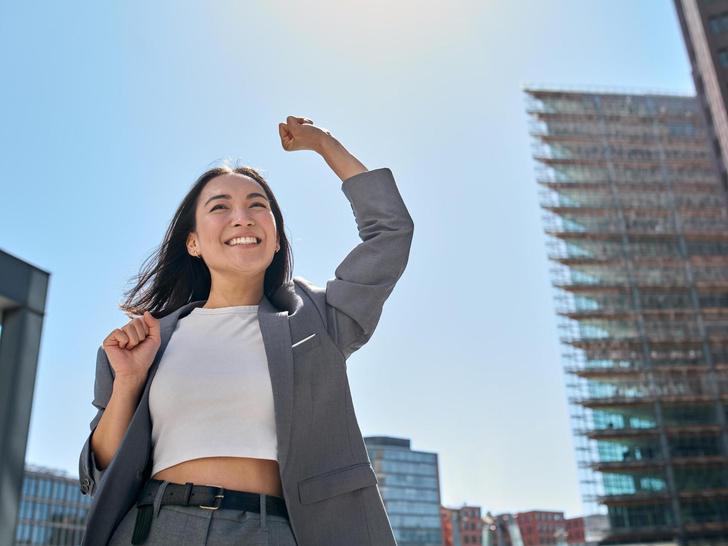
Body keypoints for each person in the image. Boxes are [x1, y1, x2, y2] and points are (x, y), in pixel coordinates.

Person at [78, 116, 415, 546]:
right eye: (219, 207)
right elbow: (101, 469)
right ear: (193, 242)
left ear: (275, 239)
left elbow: (390, 233)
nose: (242, 218)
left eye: (258, 205)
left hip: (270, 530)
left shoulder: (317, 318)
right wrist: (127, 383)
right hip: (153, 527)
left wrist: (324, 144)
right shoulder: (148, 340)